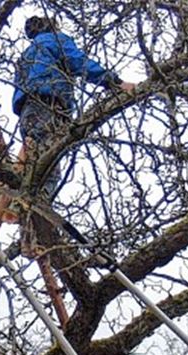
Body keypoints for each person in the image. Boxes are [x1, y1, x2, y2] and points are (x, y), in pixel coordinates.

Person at [10, 16, 136, 256]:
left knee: (31, 169)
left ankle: (27, 237)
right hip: (50, 105)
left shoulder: (26, 55)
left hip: (28, 112)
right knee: (48, 173)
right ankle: (28, 213)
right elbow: (79, 62)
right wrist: (115, 82)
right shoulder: (55, 41)